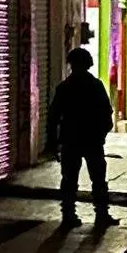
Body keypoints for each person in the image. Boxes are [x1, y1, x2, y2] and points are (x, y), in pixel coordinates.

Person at [47, 48, 119, 229]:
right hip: (91, 140)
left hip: (71, 140)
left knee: (69, 179)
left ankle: (69, 215)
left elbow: (53, 116)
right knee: (98, 179)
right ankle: (101, 214)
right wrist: (101, 134)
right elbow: (106, 113)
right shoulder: (95, 86)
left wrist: (53, 142)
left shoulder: (65, 87)